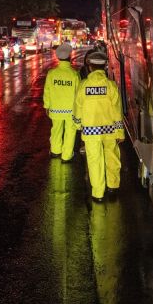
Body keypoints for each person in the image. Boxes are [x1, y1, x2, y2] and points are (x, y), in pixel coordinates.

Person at [73, 50, 124, 202]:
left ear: (89, 66)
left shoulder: (83, 86)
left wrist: (77, 125)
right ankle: (113, 186)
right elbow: (117, 112)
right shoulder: (111, 86)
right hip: (110, 130)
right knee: (112, 157)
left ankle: (98, 194)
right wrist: (120, 132)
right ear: (105, 66)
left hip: (90, 131)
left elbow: (77, 109)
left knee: (94, 160)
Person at [43, 43, 79, 162]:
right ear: (70, 57)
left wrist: (47, 106)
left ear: (58, 57)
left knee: (56, 130)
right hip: (71, 110)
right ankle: (66, 155)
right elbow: (78, 94)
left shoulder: (51, 73)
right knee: (70, 132)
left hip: (55, 109)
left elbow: (47, 91)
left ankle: (55, 151)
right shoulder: (74, 74)